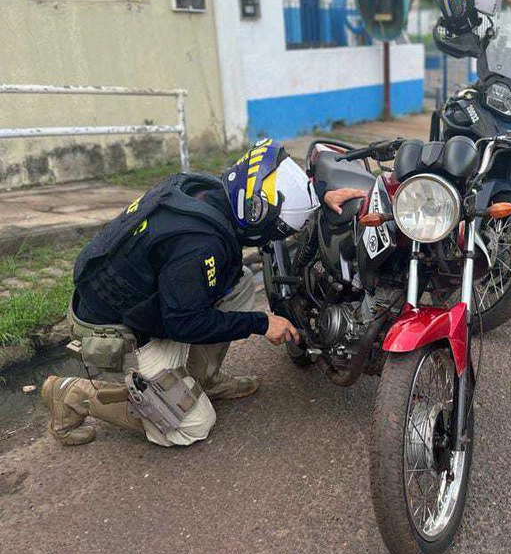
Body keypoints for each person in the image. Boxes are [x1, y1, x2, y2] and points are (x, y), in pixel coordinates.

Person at [42, 139, 366, 447]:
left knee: (237, 286)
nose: (276, 236)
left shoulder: (210, 192)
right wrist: (260, 323)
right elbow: (184, 323)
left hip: (150, 302)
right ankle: (72, 395)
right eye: (278, 229)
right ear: (255, 212)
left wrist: (316, 197)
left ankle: (202, 380)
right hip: (118, 328)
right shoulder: (200, 245)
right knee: (193, 426)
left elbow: (272, 198)